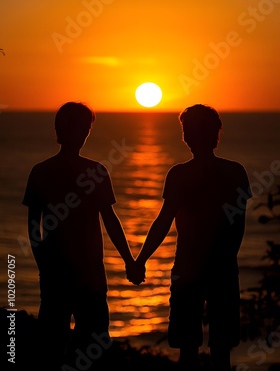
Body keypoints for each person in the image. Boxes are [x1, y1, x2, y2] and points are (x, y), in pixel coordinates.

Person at [128, 104, 252, 371]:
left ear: (188, 136)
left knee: (189, 349)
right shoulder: (235, 172)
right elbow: (237, 227)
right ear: (216, 134)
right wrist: (226, 261)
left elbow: (163, 221)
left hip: (189, 269)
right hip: (221, 269)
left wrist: (140, 260)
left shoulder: (180, 174)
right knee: (221, 350)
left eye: (187, 130)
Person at [22, 101, 141, 370]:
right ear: (63, 129)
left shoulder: (46, 171)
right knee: (83, 342)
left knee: (61, 341)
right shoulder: (90, 171)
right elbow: (109, 220)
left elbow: (33, 227)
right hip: (79, 272)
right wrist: (129, 261)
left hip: (77, 272)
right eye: (82, 127)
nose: (84, 133)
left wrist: (129, 260)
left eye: (87, 128)